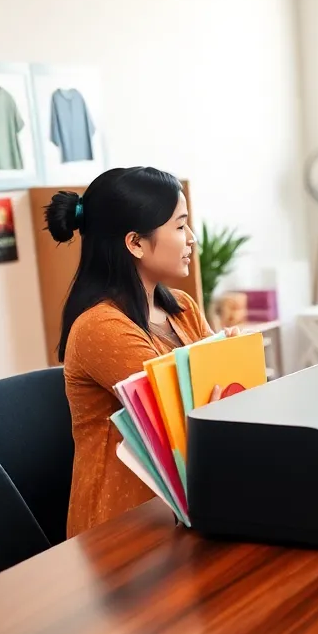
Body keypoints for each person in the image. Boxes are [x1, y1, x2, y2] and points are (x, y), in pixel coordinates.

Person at [45, 167, 236, 538]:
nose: (192, 238)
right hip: (124, 529)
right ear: (134, 243)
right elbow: (183, 416)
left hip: (185, 503)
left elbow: (217, 404)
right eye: (180, 227)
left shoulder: (181, 307)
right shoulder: (101, 327)